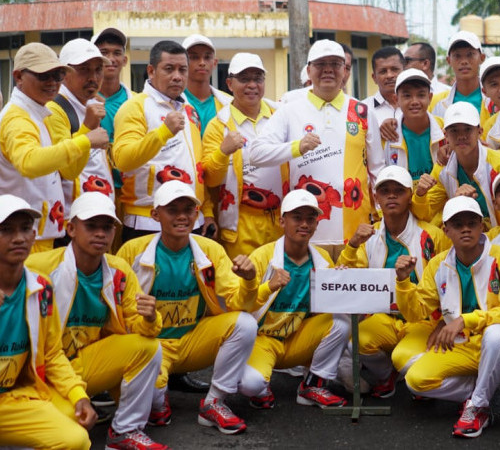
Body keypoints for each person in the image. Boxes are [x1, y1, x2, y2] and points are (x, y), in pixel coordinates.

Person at [25, 192, 167, 449]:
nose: (100, 234)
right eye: (91, 226)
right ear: (70, 229)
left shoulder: (119, 270)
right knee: (67, 427)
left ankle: (124, 431)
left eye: (107, 227)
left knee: (149, 349)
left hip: (82, 362)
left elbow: (137, 327)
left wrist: (149, 318)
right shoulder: (39, 266)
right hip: (44, 371)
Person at [116, 180, 259, 435]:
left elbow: (238, 302)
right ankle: (158, 399)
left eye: (188, 210)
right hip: (152, 345)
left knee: (245, 324)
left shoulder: (211, 250)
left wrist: (249, 281)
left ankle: (214, 402)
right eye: (173, 210)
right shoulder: (132, 251)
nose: (182, 216)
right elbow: (117, 309)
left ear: (196, 213)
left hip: (194, 340)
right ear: (155, 214)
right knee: (150, 406)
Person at [395, 195, 500, 437]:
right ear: (446, 230)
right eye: (457, 224)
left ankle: (478, 406)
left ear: (481, 226)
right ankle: (482, 389)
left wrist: (464, 320)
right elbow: (416, 312)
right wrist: (403, 282)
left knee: (498, 335)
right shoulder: (438, 264)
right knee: (415, 379)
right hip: (460, 346)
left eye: (472, 223)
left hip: (495, 347)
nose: (466, 229)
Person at [249, 39, 383, 259]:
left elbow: (377, 169)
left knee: (351, 292)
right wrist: (296, 147)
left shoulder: (362, 111)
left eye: (335, 64)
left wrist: (380, 218)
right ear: (309, 70)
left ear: (345, 71)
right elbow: (256, 154)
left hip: (356, 232)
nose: (328, 70)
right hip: (305, 231)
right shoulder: (289, 110)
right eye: (321, 64)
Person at [337, 165, 450, 397]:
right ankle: (387, 373)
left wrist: (445, 321)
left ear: (410, 195)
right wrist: (353, 245)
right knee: (355, 342)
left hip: (424, 320)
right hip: (385, 318)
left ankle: (413, 373)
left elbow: (451, 280)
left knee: (411, 367)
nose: (391, 195)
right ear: (376, 198)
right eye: (384, 190)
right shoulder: (369, 235)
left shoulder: (433, 235)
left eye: (398, 191)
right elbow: (350, 275)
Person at [239, 190, 351, 409]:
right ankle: (260, 385)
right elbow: (240, 305)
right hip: (263, 340)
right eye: (297, 217)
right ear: (282, 221)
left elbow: (323, 309)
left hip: (297, 339)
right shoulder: (262, 256)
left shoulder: (322, 258)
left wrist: (339, 282)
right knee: (250, 385)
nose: (304, 224)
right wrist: (267, 286)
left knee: (341, 321)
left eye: (310, 219)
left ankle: (312, 385)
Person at [0, 195, 96, 449]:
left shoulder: (41, 286)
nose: (18, 238)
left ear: (34, 236)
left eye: (24, 229)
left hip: (16, 398)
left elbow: (52, 353)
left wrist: (79, 395)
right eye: (6, 230)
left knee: (76, 439)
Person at [0, 42, 108, 252]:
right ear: (19, 76)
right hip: (22, 241)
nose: (52, 82)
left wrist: (86, 129)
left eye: (57, 75)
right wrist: (85, 140)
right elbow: (29, 163)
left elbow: (69, 171)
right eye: (43, 75)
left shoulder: (39, 112)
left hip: (40, 237)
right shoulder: (17, 118)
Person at [112, 40, 215, 242]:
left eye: (182, 70)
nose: (177, 76)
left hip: (192, 220)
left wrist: (208, 210)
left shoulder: (189, 109)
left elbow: (197, 166)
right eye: (169, 69)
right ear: (151, 71)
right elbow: (123, 160)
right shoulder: (134, 107)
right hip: (148, 221)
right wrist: (163, 133)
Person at [202, 52, 285, 259]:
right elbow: (210, 179)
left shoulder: (281, 115)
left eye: (257, 79)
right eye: (244, 79)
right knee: (244, 286)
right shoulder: (218, 125)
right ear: (229, 84)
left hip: (282, 220)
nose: (251, 85)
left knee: (280, 285)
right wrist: (223, 152)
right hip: (241, 222)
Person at [412, 101, 500, 229]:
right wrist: (420, 195)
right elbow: (425, 214)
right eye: (454, 130)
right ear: (445, 135)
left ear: (480, 131)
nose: (461, 136)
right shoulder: (442, 167)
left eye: (468, 129)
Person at [45, 38, 115, 213]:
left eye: (98, 70)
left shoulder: (93, 103)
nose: (93, 78)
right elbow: (66, 168)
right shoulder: (54, 109)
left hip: (99, 209)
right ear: (64, 73)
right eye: (83, 70)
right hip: (73, 216)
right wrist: (88, 129)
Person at [382, 68, 444, 183]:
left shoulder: (446, 130)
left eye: (421, 95)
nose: (414, 101)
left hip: (440, 199)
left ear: (429, 98)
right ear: (396, 99)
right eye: (407, 96)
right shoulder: (388, 135)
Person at [430, 31, 488, 124]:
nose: (464, 61)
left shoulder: (494, 99)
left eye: (470, 55)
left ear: (482, 58)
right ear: (449, 60)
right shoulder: (435, 103)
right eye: (457, 56)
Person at [182, 34, 233, 136]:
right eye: (194, 57)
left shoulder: (230, 103)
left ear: (214, 63)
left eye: (207, 57)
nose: (202, 62)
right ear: (183, 62)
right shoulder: (171, 101)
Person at [92, 27, 133, 143]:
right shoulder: (81, 100)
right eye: (104, 53)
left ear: (124, 60)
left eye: (117, 53)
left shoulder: (137, 102)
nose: (110, 59)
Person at [362, 46, 405, 126]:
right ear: (374, 77)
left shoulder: (417, 105)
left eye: (394, 69)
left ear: (405, 71)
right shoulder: (363, 109)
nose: (389, 75)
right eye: (383, 71)